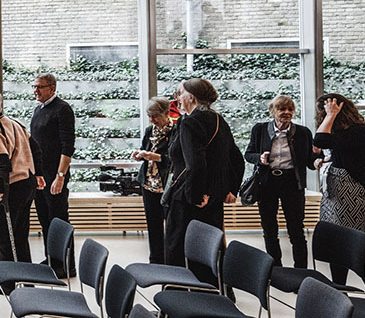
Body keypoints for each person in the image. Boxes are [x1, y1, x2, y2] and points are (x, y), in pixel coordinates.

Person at [163, 78, 244, 284]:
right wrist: (229, 189)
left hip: (188, 197)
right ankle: (215, 294)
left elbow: (195, 165)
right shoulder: (218, 120)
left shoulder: (190, 121)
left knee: (176, 249)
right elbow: (236, 159)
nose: (177, 98)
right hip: (213, 199)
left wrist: (197, 195)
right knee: (210, 250)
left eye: (180, 93)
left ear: (191, 96)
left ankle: (176, 298)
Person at [314, 93, 365, 298]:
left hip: (352, 193)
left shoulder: (360, 131)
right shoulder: (345, 133)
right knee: (336, 245)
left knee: (354, 246)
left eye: (323, 112)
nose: (322, 116)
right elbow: (339, 153)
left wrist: (330, 116)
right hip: (336, 193)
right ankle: (339, 292)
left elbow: (320, 139)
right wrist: (325, 162)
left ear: (339, 111)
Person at [244, 94, 315, 268]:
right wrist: (260, 158)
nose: (286, 112)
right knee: (269, 228)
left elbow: (310, 161)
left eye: (290, 109)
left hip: (292, 183)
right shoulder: (260, 129)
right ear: (273, 111)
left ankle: (301, 271)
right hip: (267, 183)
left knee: (296, 229)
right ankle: (275, 269)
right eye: (282, 109)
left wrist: (318, 159)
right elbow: (248, 154)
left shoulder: (303, 132)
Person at [0, 88, 43, 263]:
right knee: (20, 234)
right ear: (1, 106)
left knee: (4, 237)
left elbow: (2, 164)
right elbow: (35, 148)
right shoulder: (15, 123)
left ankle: (7, 283)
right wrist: (39, 174)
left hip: (11, 187)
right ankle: (27, 278)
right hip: (27, 183)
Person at [30, 72, 76, 276]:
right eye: (34, 86)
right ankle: (52, 258)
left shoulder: (62, 109)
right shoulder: (38, 109)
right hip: (40, 175)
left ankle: (66, 264)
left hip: (55, 175)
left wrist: (60, 176)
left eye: (40, 87)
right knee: (45, 219)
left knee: (59, 220)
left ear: (52, 88)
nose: (36, 90)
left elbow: (68, 146)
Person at [131, 96, 172, 265]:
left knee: (170, 226)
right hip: (148, 183)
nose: (152, 119)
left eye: (155, 115)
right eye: (149, 115)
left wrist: (155, 157)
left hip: (166, 185)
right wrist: (139, 155)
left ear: (166, 113)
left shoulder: (175, 132)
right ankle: (155, 260)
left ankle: (171, 260)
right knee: (153, 224)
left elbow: (176, 159)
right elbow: (145, 151)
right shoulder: (150, 131)